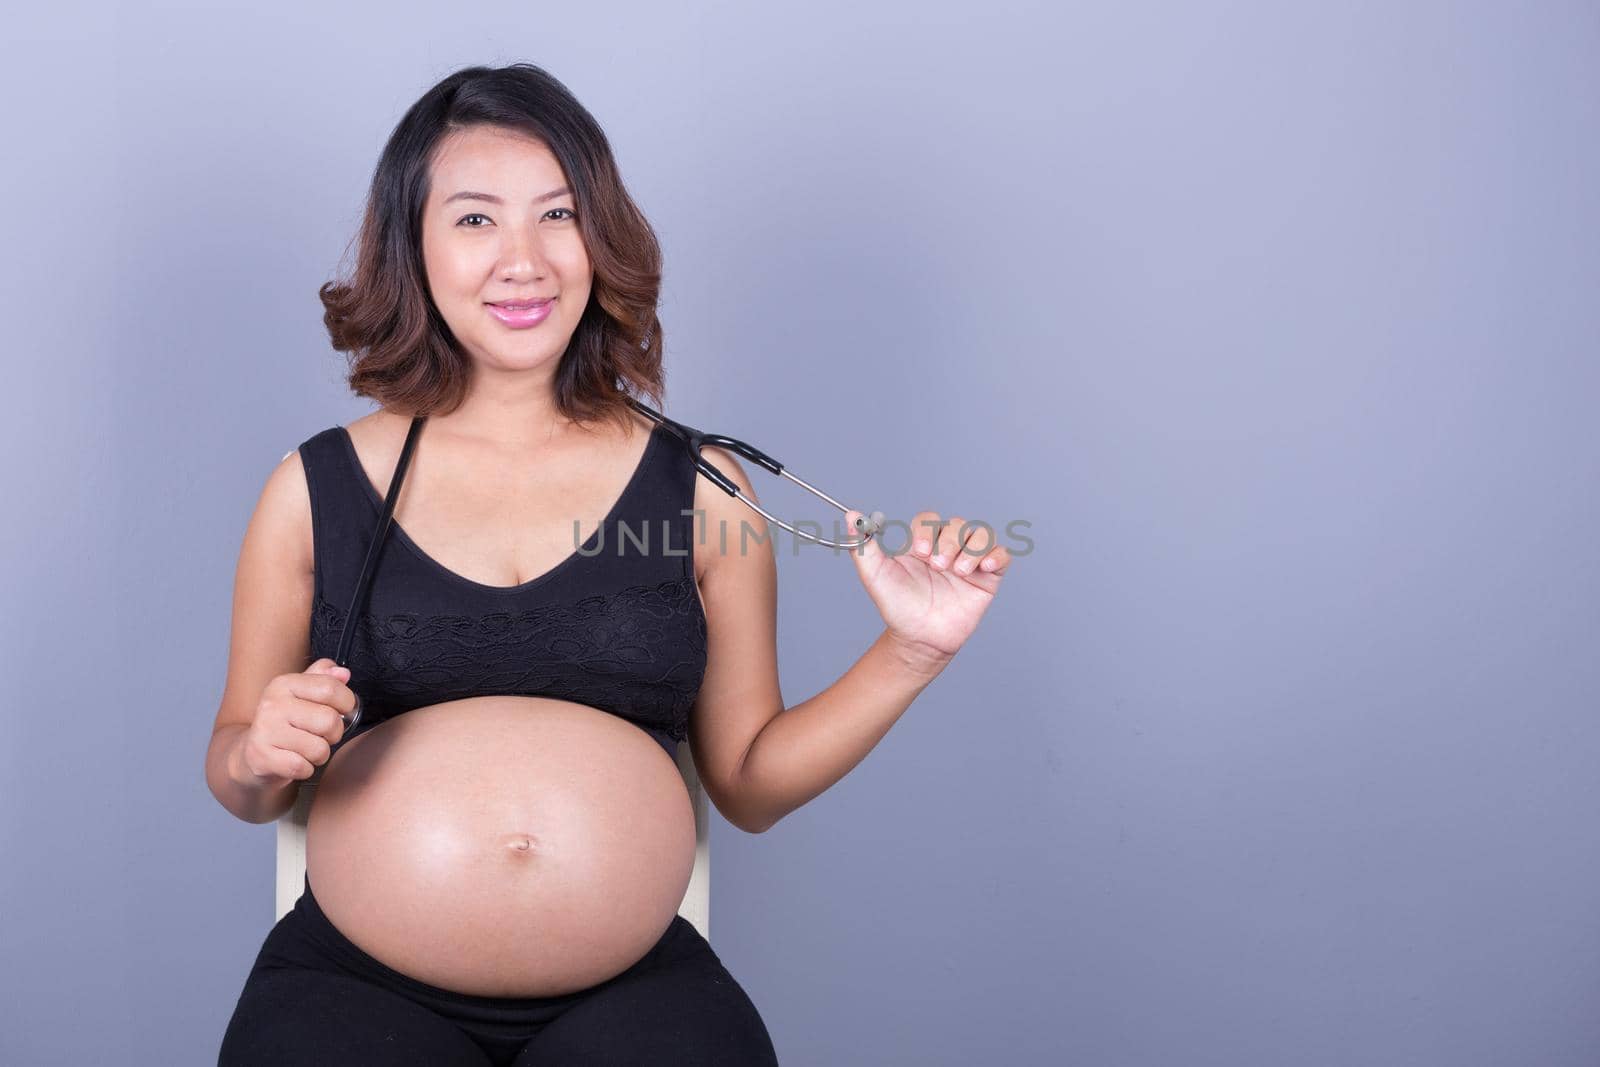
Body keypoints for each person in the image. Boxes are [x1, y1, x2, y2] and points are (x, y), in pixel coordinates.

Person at [203, 62, 1011, 1066]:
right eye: (474, 220)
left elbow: (750, 783)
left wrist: (912, 651)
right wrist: (256, 752)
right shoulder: (313, 487)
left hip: (635, 993)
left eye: (558, 214)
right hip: (350, 984)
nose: (524, 260)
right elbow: (242, 777)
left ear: (601, 238)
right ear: (411, 246)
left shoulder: (703, 490)